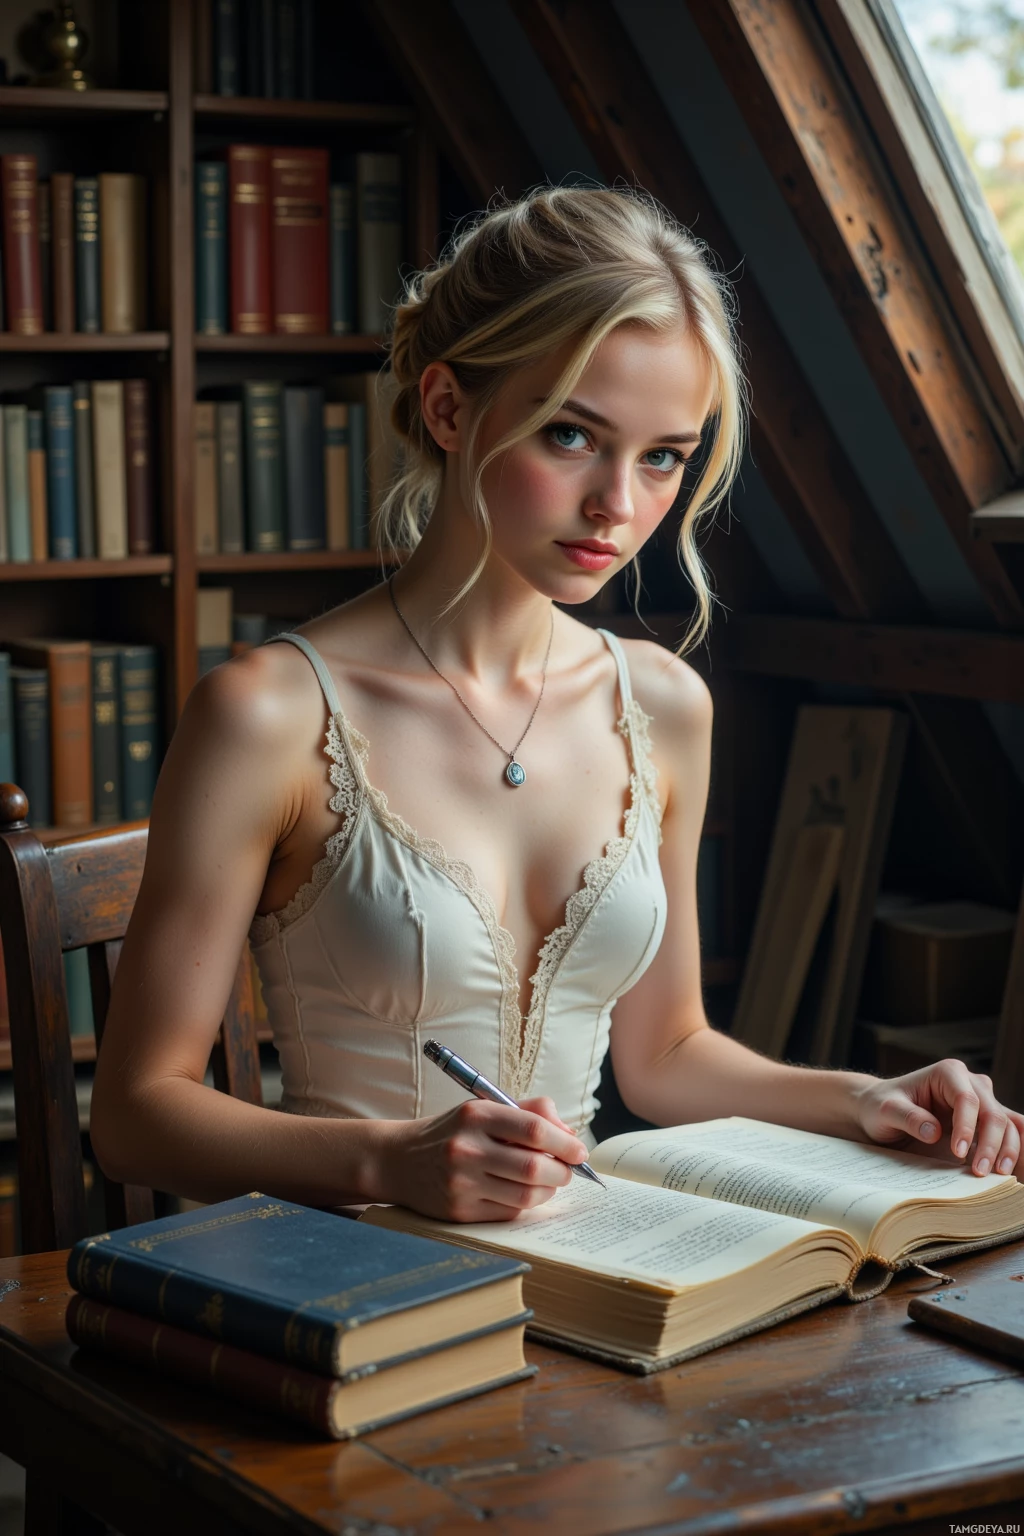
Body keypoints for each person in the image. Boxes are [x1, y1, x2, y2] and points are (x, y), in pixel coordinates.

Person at [90, 186, 1023, 1222]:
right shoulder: (269, 716)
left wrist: (863, 1097)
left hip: (590, 1275)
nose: (618, 507)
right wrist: (390, 1161)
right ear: (449, 410)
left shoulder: (662, 704)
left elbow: (665, 1056)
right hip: (349, 1293)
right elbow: (135, 1115)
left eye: (663, 455)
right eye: (572, 436)